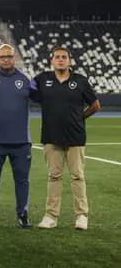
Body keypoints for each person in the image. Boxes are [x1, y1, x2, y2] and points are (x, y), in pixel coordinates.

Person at [32, 46, 100, 231]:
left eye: (64, 57)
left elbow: (95, 105)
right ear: (51, 61)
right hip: (51, 136)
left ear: (69, 61)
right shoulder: (42, 79)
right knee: (54, 176)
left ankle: (81, 215)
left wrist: (80, 117)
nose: (60, 59)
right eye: (57, 57)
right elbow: (25, 89)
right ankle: (51, 216)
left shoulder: (80, 81)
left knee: (77, 176)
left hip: (75, 136)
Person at [0, 44, 35, 228]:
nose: (6, 60)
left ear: (15, 58)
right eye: (2, 57)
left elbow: (43, 97)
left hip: (21, 141)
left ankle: (22, 214)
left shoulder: (26, 79)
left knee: (22, 180)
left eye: (9, 56)